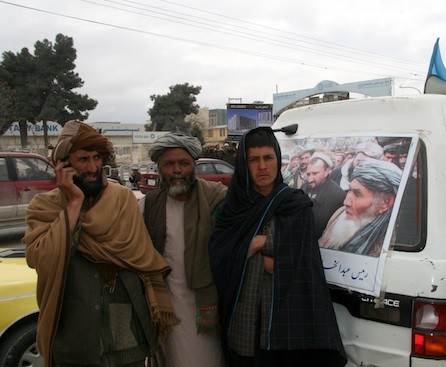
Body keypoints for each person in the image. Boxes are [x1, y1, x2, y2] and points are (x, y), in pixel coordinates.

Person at [23, 120, 178, 367]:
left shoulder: (122, 199)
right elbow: (41, 258)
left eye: (97, 157)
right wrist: (74, 203)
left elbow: (141, 257)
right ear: (63, 164)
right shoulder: (45, 206)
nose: (93, 167)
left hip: (127, 333)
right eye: (83, 159)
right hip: (77, 337)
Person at [209, 127, 346, 367]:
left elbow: (303, 267)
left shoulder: (295, 204)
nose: (262, 166)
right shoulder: (232, 208)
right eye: (254, 159)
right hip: (242, 316)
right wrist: (263, 251)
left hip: (284, 319)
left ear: (277, 159)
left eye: (268, 158)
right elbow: (219, 257)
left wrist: (258, 245)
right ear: (244, 164)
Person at [140, 133, 227, 367]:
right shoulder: (148, 206)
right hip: (166, 308)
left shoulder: (217, 198)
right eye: (169, 164)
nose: (177, 170)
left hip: (206, 307)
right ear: (159, 168)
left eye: (184, 163)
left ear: (193, 166)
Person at [319, 158, 402, 257]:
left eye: (357, 194)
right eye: (349, 190)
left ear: (385, 202)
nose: (346, 202)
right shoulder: (340, 213)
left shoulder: (387, 244)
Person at [303, 152, 347, 240]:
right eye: (308, 174)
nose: (310, 179)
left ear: (326, 172)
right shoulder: (304, 187)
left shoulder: (338, 195)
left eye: (315, 173)